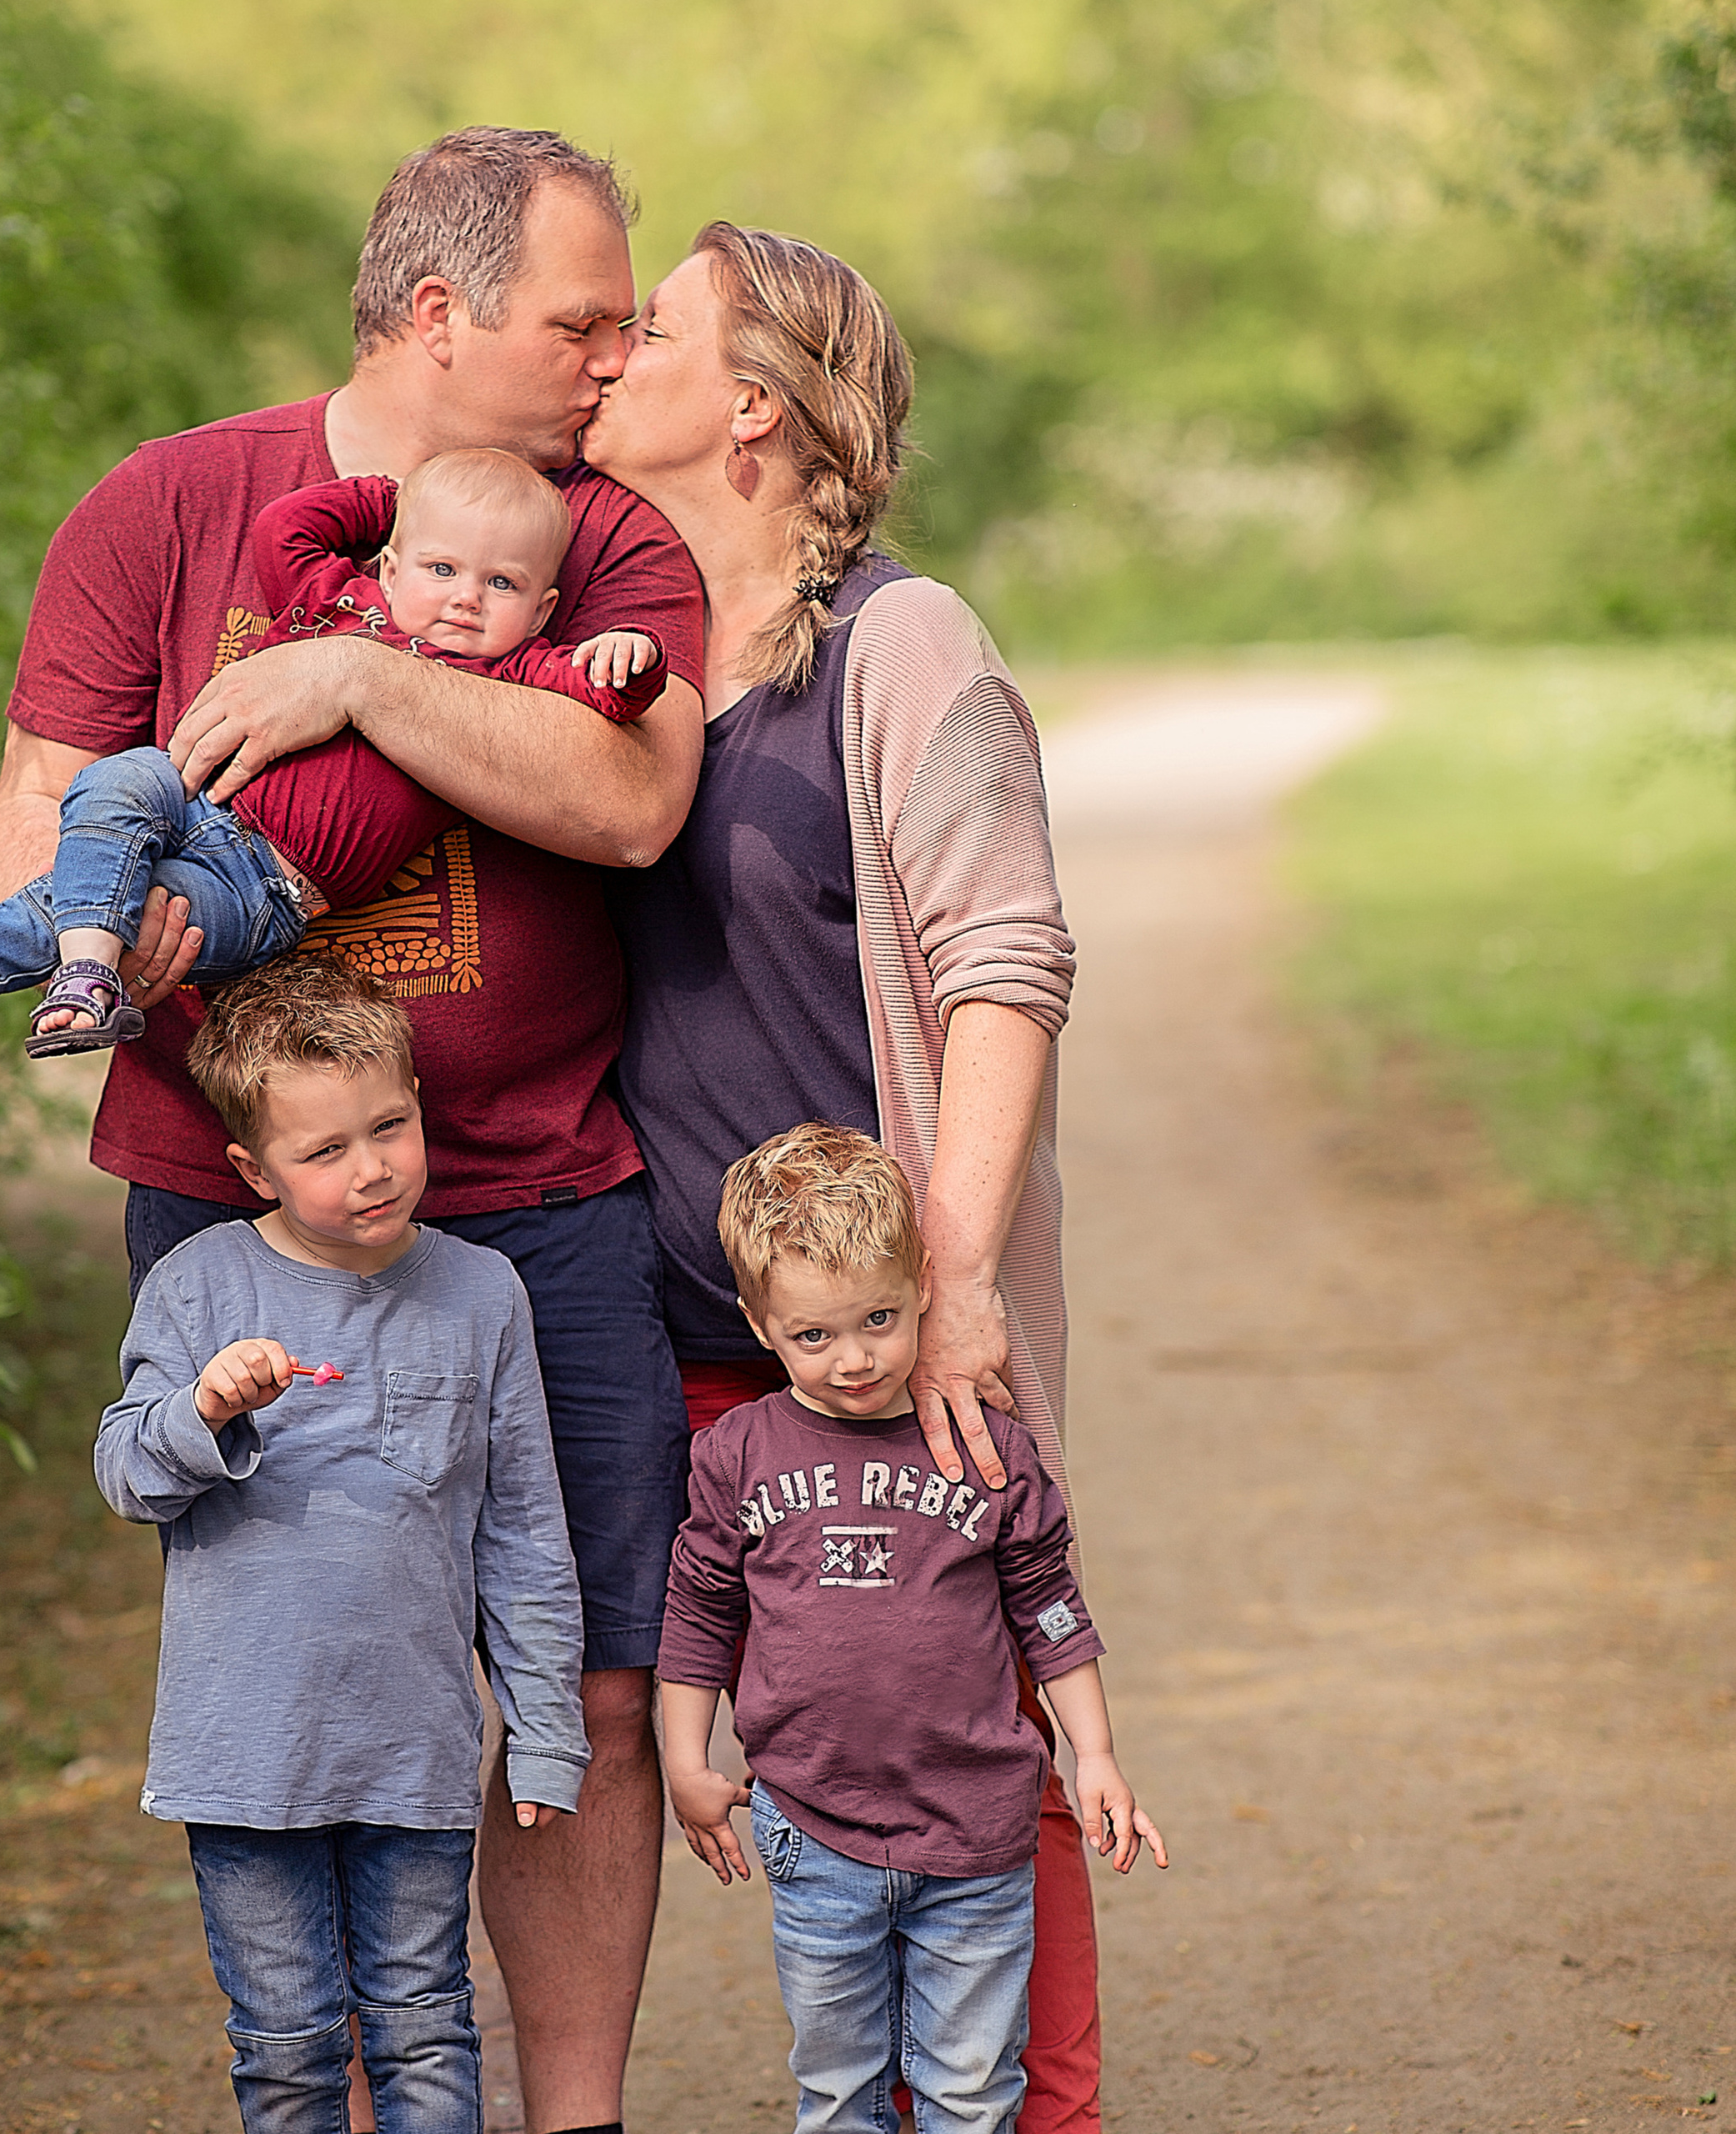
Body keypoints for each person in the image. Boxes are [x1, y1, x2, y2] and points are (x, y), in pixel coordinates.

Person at [0, 127, 702, 2133]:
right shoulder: (168, 500)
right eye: (583, 317)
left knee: (597, 1693)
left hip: (544, 1198)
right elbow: (31, 804)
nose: (616, 353)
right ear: (437, 310)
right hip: (240, 1220)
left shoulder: (599, 533)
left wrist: (352, 673)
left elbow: (629, 796)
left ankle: (567, 2114)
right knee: (326, 1681)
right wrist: (93, 931)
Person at [583, 224, 1110, 2126]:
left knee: (977, 1744)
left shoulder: (902, 639)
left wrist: (953, 1270)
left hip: (891, 1325)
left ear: (747, 405)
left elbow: (1003, 963)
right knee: (747, 1746)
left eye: (644, 327)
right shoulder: (617, 658)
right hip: (684, 1334)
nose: (602, 348)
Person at [94, 955, 590, 2132]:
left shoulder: (482, 1296)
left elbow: (523, 1530)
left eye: (390, 1127)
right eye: (323, 1153)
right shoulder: (197, 1288)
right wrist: (203, 1408)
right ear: (251, 1169)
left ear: (422, 1103)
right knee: (285, 2046)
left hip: (413, 1747)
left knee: (427, 2025)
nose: (370, 1169)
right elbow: (125, 1475)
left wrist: (548, 1732)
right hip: (241, 1752)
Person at [0, 450, 661, 1055]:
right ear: (392, 565)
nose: (466, 599)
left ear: (543, 608)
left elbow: (603, 699)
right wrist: (387, 494)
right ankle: (84, 975)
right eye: (441, 566)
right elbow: (285, 529)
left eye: (502, 584)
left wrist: (625, 659)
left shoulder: (510, 674)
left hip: (260, 886)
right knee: (117, 780)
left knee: (126, 903)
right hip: (194, 803)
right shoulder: (344, 601)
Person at [659, 1124, 1164, 2134]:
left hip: (977, 1835)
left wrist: (1097, 1754)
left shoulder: (983, 1448)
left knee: (971, 2089)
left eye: (878, 1319)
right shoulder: (737, 1455)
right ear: (759, 1324)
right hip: (813, 1830)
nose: (852, 1359)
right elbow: (699, 1610)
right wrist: (684, 1759)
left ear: (925, 1284)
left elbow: (1048, 1607)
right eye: (813, 1335)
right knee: (839, 2089)